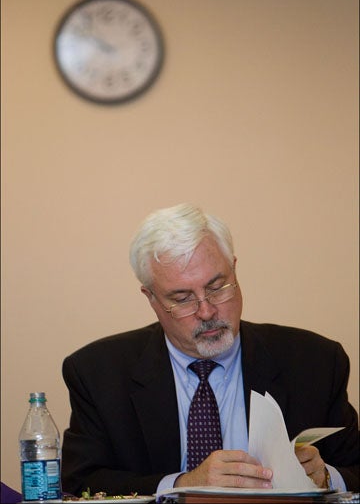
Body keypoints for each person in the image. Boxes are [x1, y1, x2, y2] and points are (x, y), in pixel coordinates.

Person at [61, 203, 359, 497]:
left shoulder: (315, 361)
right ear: (151, 298)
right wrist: (182, 486)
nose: (206, 311)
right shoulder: (98, 373)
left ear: (235, 270)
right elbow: (80, 484)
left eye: (217, 287)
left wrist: (325, 477)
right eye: (182, 298)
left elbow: (354, 469)